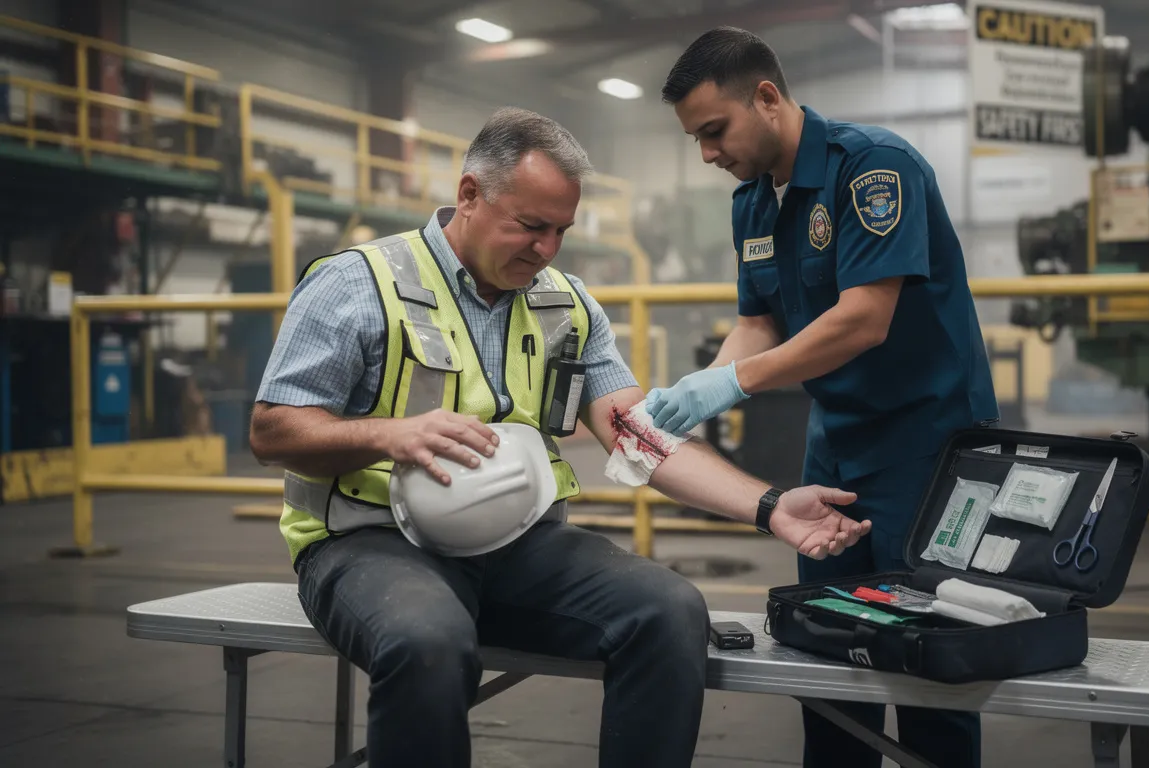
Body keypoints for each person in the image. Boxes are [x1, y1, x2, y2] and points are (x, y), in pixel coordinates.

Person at [248, 106, 873, 768]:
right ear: (469, 195)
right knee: (426, 639)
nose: (545, 249)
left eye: (561, 231)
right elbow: (272, 429)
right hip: (369, 544)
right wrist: (391, 435)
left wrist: (772, 508)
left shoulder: (566, 304)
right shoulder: (358, 283)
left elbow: (640, 437)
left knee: (667, 610)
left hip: (520, 546)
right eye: (530, 226)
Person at [655, 27, 999, 768]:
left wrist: (735, 381)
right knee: (831, 650)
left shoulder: (874, 168)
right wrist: (700, 390)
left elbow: (864, 318)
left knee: (930, 655)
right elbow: (758, 322)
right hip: (838, 442)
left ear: (768, 98)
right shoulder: (753, 203)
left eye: (714, 131)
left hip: (930, 443)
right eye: (696, 140)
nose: (708, 154)